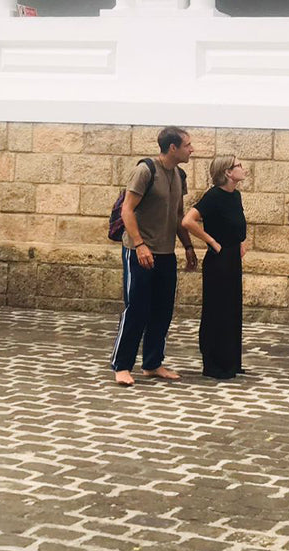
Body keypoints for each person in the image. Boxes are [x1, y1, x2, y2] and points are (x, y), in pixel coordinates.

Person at [109, 126, 199, 387]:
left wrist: (188, 246)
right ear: (173, 147)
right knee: (136, 309)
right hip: (139, 251)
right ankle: (122, 365)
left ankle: (152, 363)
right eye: (187, 145)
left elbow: (178, 215)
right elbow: (127, 210)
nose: (191, 150)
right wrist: (139, 245)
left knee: (162, 309)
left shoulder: (180, 175)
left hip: (165, 252)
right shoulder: (145, 170)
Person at [184, 154, 249, 380]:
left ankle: (230, 362)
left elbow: (235, 223)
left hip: (232, 258)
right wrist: (211, 241)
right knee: (217, 310)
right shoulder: (213, 196)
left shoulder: (236, 195)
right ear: (228, 172)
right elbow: (188, 221)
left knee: (232, 309)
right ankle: (214, 364)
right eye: (238, 165)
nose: (242, 168)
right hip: (218, 259)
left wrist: (241, 241)